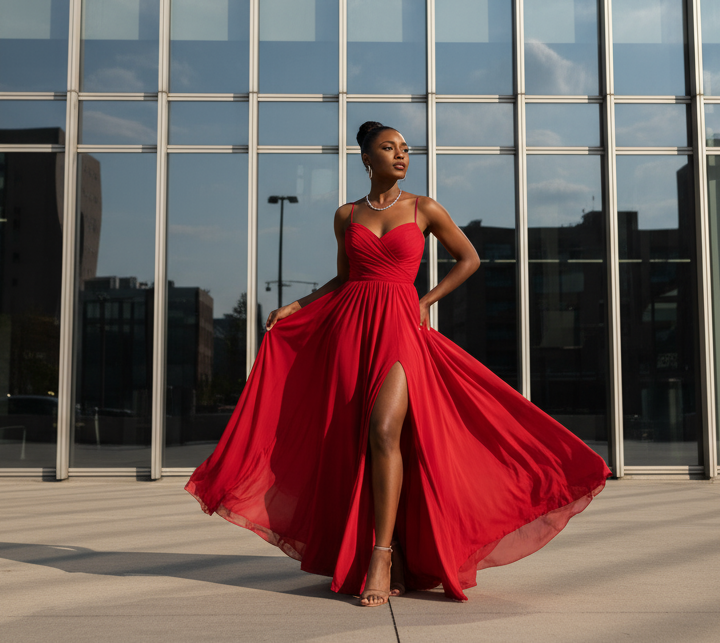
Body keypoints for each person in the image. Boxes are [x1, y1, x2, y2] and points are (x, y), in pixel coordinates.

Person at [186, 122, 611, 606]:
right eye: (389, 148)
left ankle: (381, 555)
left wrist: (426, 302)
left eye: (405, 149)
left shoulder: (423, 207)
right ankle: (394, 553)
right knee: (355, 440)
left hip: (401, 327)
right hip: (351, 329)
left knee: (385, 429)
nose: (401, 155)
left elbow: (468, 259)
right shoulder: (346, 215)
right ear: (367, 159)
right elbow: (345, 279)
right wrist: (299, 306)